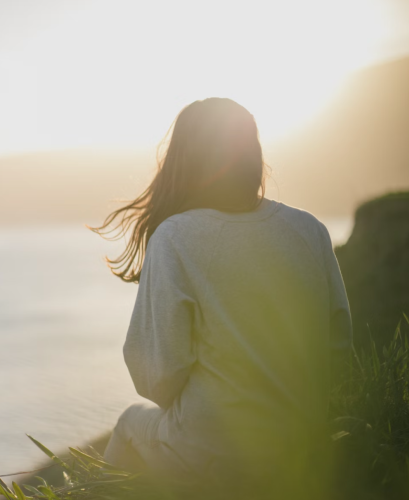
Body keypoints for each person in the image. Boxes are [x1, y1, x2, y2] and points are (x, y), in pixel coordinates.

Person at [90, 98, 353, 498]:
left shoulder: (176, 237)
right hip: (303, 445)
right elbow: (338, 348)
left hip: (216, 453)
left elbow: (156, 378)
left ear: (183, 160)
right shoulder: (310, 229)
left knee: (129, 424)